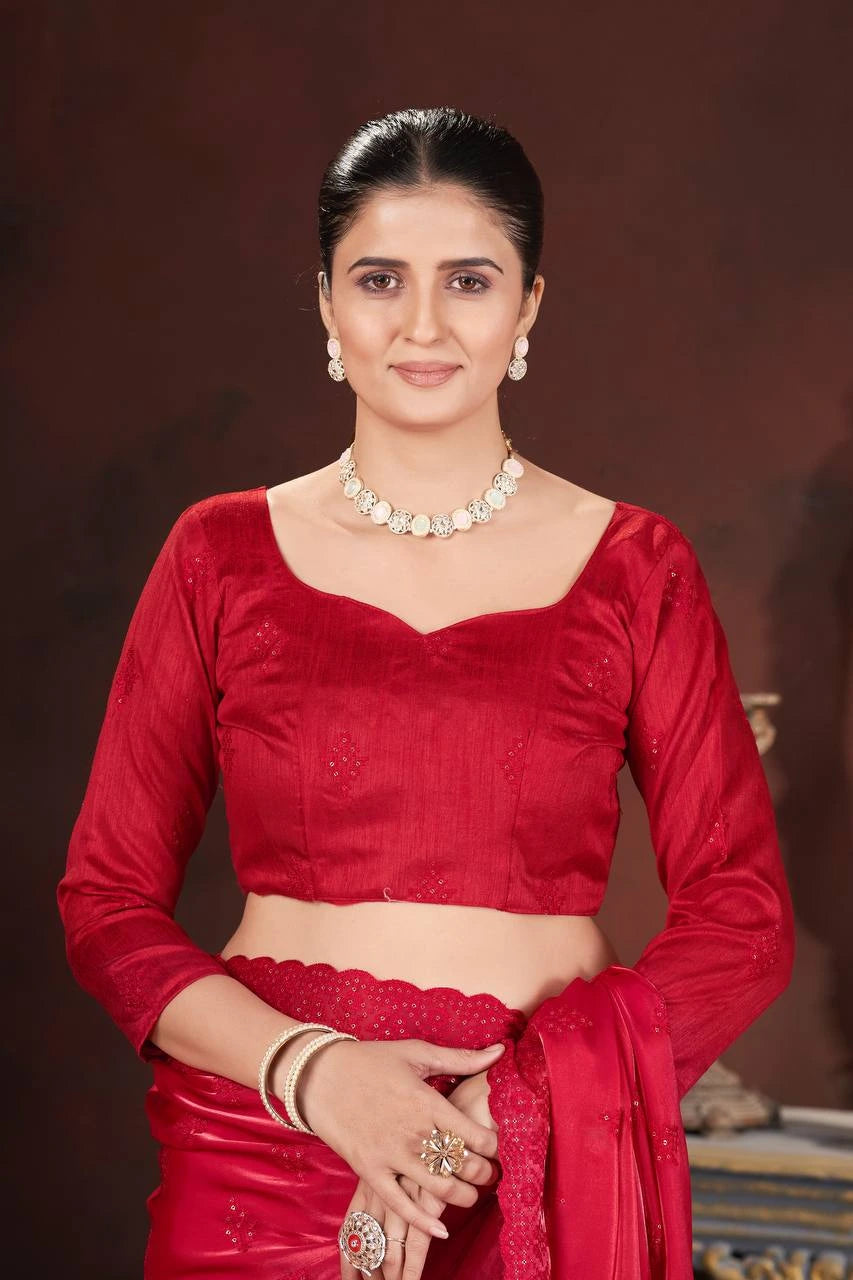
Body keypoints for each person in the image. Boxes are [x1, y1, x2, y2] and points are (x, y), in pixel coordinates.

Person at [56, 106, 796, 1280]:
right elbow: (105, 903)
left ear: (528, 307)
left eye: (467, 278)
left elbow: (743, 920)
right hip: (266, 1132)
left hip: (524, 1158)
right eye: (378, 277)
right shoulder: (218, 554)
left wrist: (518, 1105)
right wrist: (319, 1073)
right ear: (324, 303)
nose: (420, 323)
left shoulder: (635, 567)